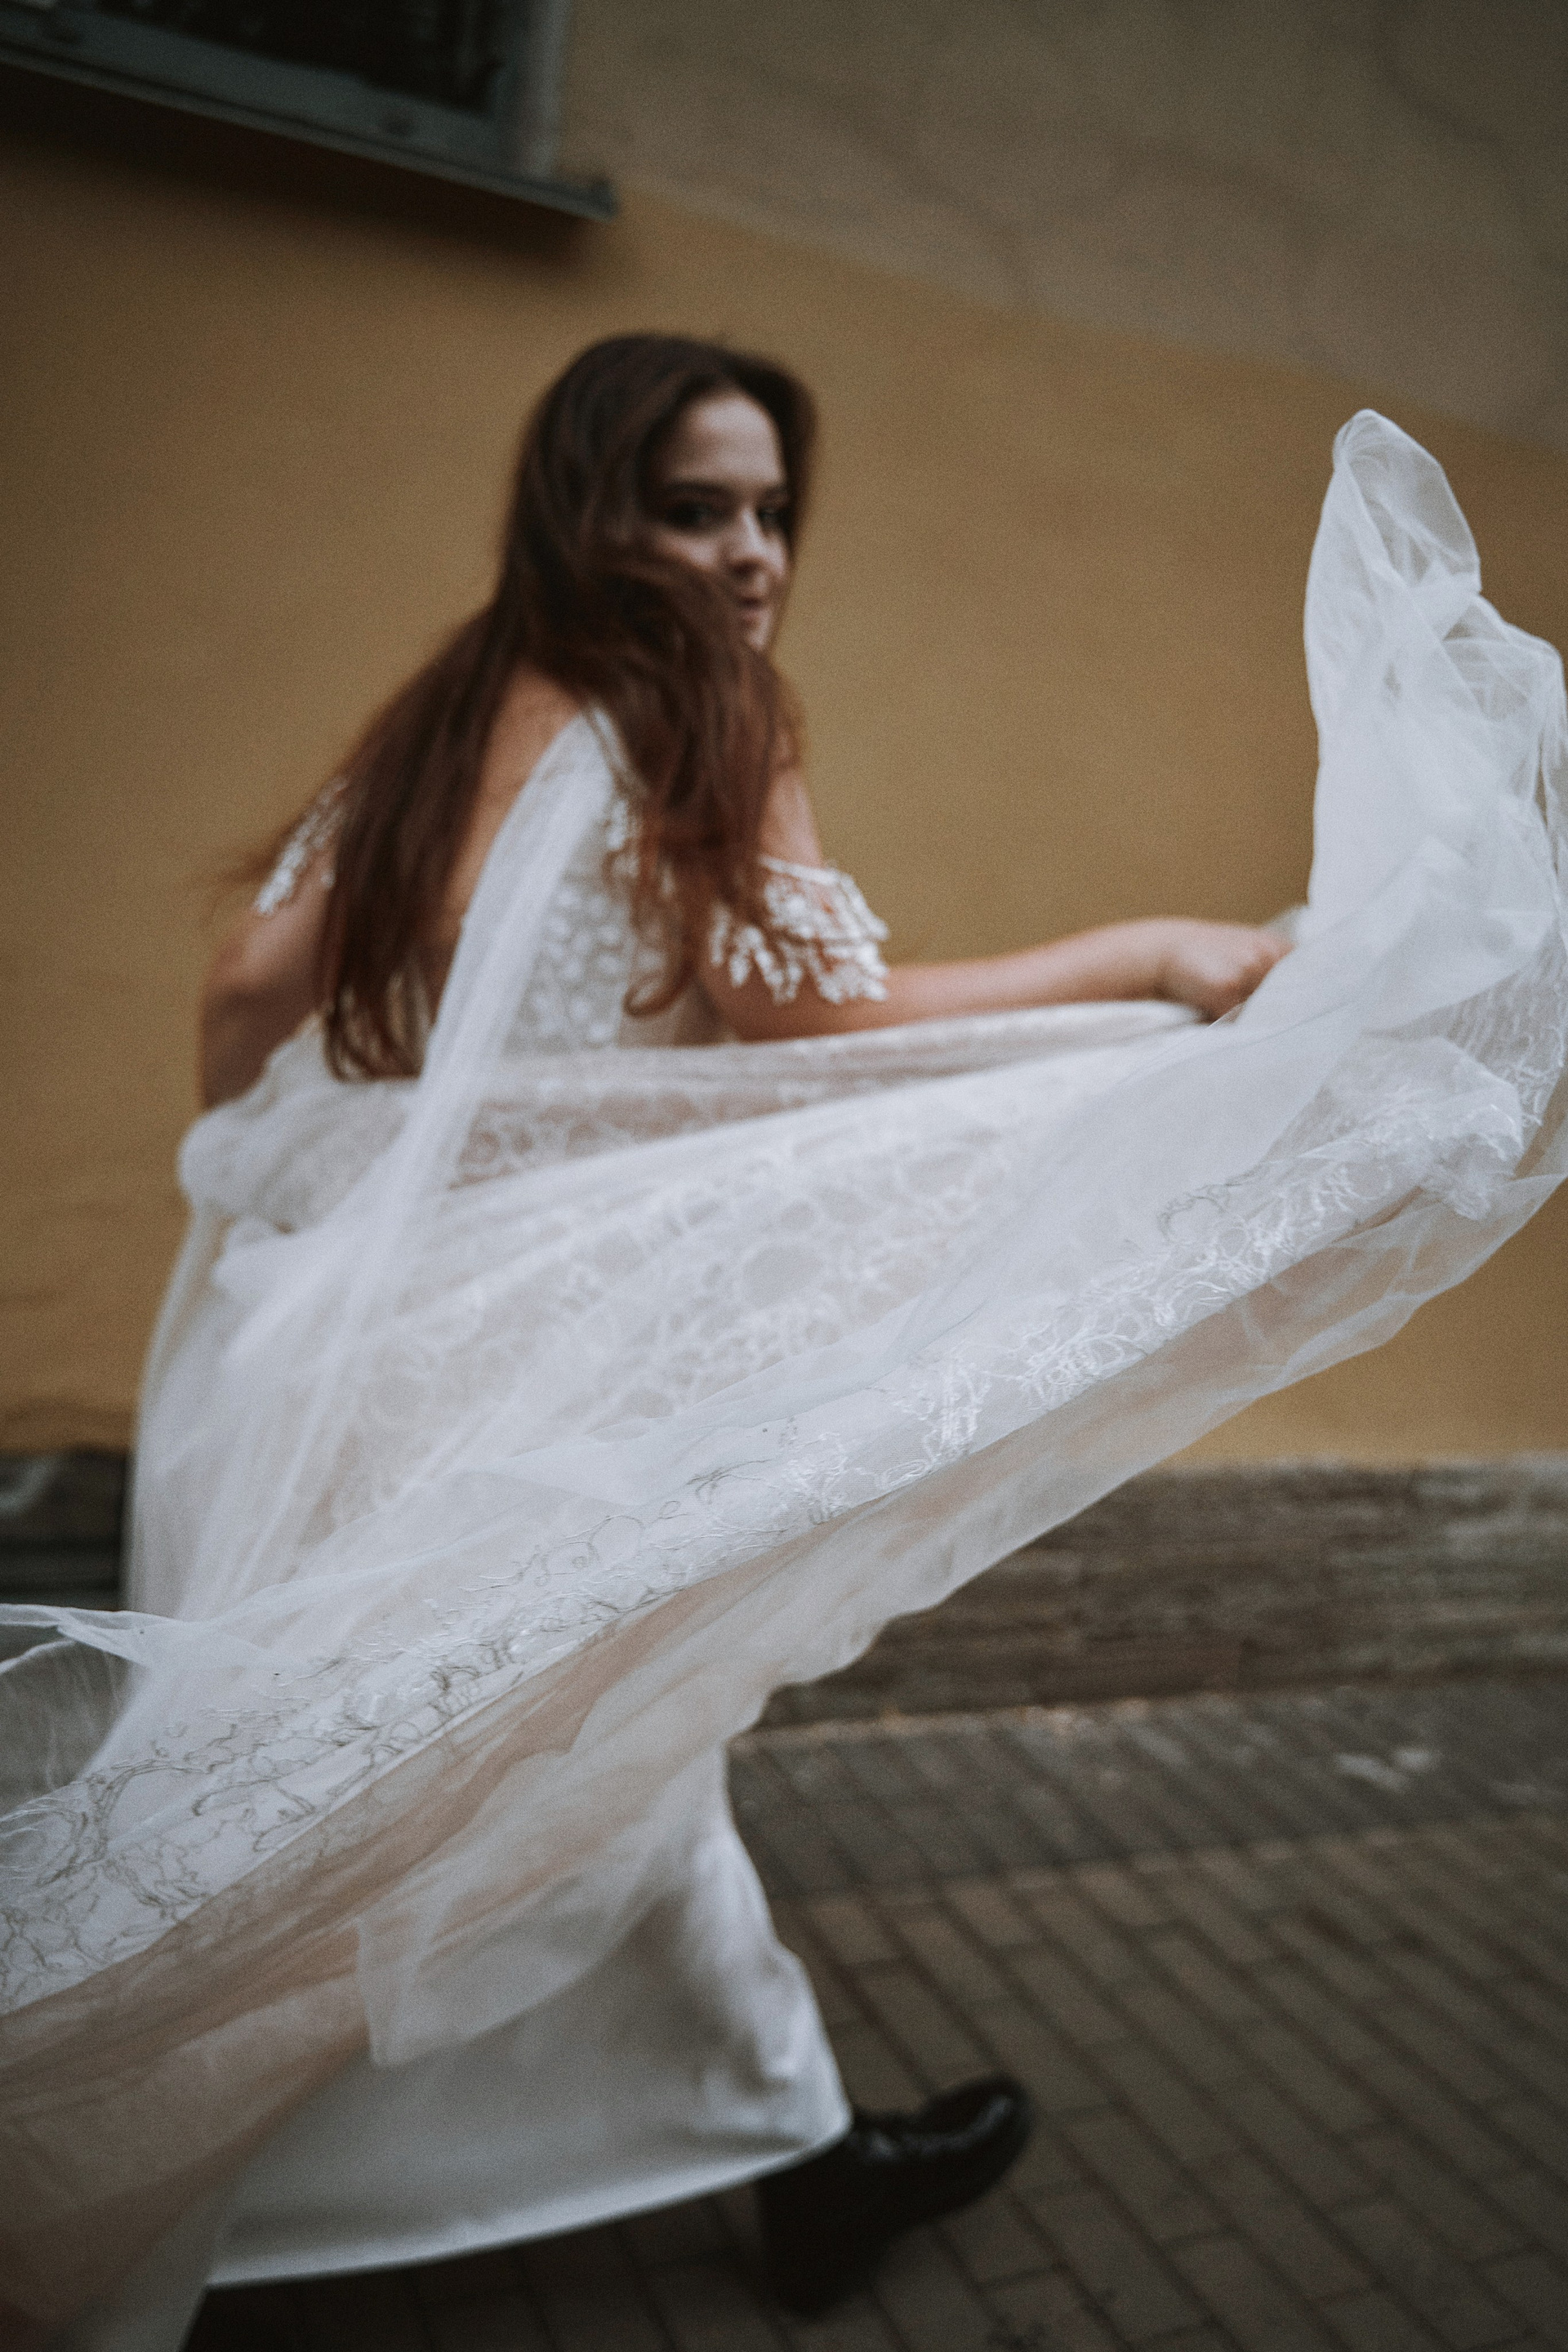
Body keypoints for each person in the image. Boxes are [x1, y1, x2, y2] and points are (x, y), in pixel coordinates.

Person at [3, 339, 1565, 2352]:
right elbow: (812, 1026)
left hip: (332, 1335)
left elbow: (246, 991)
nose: (750, 556)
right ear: (595, 514)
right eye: (696, 510)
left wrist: (289, 1191)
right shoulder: (707, 712)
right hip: (543, 1345)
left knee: (485, 1754)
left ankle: (788, 2152)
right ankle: (110, 2147)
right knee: (491, 1776)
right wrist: (1148, 956)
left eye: (771, 512)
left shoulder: (445, 717)